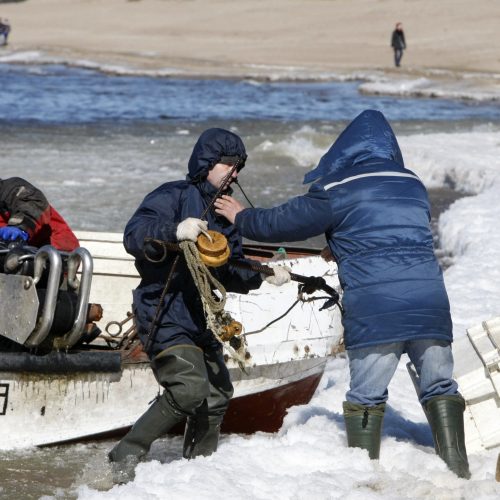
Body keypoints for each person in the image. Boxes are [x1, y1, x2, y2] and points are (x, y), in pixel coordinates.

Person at [214, 110, 471, 479]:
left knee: (367, 398)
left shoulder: (338, 188)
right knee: (441, 386)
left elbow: (283, 223)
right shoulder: (411, 182)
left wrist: (241, 217)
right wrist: (344, 244)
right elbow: (391, 233)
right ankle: (459, 471)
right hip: (430, 304)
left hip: (376, 309)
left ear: (346, 149)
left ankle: (364, 479)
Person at [108, 128, 290, 476]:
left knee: (218, 393)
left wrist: (263, 274)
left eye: (239, 167)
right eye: (230, 165)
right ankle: (124, 457)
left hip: (202, 317)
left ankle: (196, 474)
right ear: (207, 164)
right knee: (190, 388)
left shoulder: (227, 214)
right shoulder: (172, 195)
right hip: (163, 310)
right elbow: (134, 234)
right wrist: (175, 231)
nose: (235, 173)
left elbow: (229, 270)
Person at [0, 177, 79, 251]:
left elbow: (33, 205)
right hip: (15, 251)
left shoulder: (11, 189)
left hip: (55, 249)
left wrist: (20, 227)